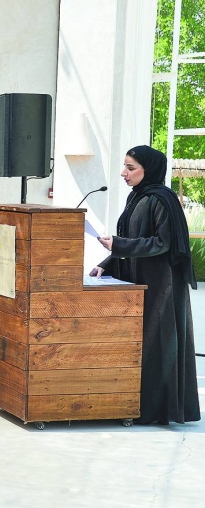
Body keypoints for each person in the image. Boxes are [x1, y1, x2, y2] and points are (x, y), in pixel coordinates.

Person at [92, 145, 200, 425]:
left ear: (148, 170)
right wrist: (107, 263)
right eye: (124, 166)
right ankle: (134, 404)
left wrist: (120, 245)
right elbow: (130, 238)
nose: (123, 173)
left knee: (158, 343)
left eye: (131, 168)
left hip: (161, 284)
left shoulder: (162, 199)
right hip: (138, 281)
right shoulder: (137, 197)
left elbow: (162, 243)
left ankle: (158, 411)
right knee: (139, 345)